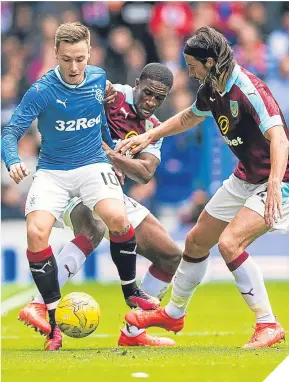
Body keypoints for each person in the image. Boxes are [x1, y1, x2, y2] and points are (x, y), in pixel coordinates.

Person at [118, 26, 289, 349]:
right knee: (196, 242)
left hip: (279, 180)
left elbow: (279, 138)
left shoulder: (250, 90)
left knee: (229, 244)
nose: (188, 71)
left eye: (192, 64)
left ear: (209, 61)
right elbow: (189, 117)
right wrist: (149, 135)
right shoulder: (212, 88)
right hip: (244, 177)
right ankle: (173, 313)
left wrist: (275, 184)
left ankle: (268, 324)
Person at [2, 22, 157, 351]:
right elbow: (10, 131)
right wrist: (13, 160)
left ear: (90, 54)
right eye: (67, 59)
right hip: (53, 170)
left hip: (92, 164)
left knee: (117, 217)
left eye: (80, 59)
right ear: (55, 54)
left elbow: (99, 118)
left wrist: (111, 155)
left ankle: (131, 291)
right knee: (35, 232)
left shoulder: (99, 78)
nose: (74, 67)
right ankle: (53, 324)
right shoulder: (42, 90)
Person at [18, 63, 183, 348]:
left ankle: (133, 333)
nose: (151, 102)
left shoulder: (153, 128)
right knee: (91, 227)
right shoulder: (113, 94)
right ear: (136, 84)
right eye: (147, 93)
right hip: (68, 175)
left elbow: (144, 173)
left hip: (107, 188)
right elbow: (87, 85)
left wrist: (110, 155)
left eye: (159, 98)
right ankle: (39, 304)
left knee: (170, 256)